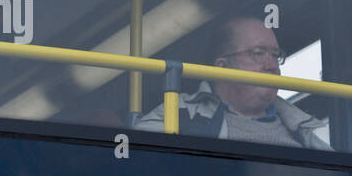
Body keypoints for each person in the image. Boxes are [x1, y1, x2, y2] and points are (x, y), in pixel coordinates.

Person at [136, 18, 329, 149]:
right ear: (222, 66)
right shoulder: (179, 113)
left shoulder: (305, 130)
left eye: (276, 55)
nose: (271, 65)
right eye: (258, 53)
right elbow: (137, 158)